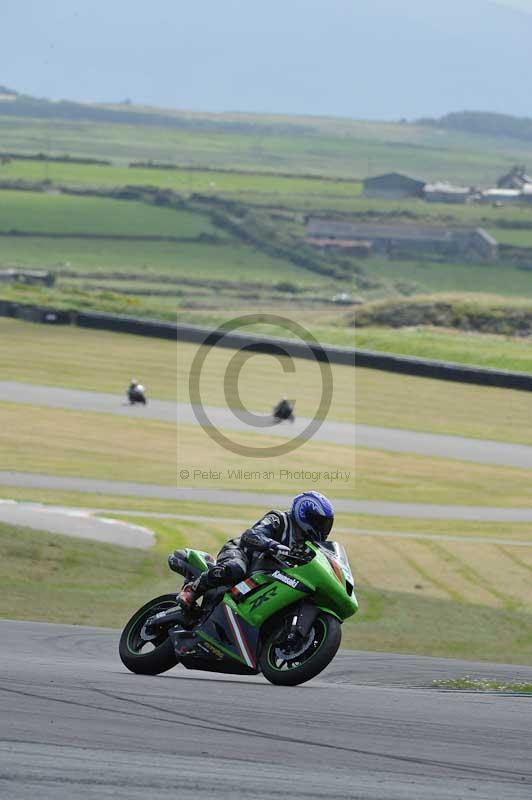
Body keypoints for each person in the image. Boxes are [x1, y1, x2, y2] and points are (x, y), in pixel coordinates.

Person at [169, 491, 334, 622]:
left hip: (266, 575)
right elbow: (251, 535)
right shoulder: (279, 519)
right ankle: (193, 589)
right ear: (304, 514)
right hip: (241, 553)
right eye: (319, 522)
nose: (323, 528)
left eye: (326, 523)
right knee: (236, 569)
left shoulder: (307, 545)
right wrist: (273, 545)